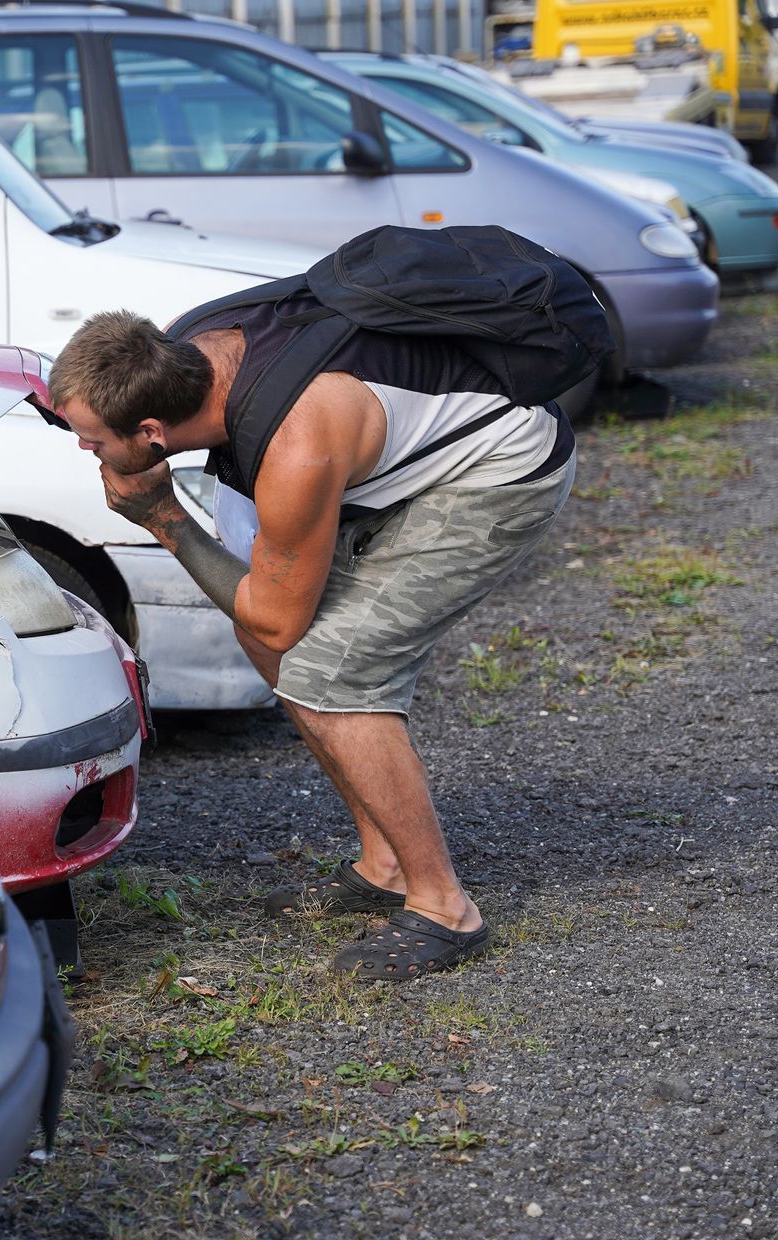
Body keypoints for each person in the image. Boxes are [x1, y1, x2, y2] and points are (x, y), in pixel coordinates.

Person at [50, 307, 576, 980]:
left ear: (151, 434)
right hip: (409, 460)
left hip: (504, 467)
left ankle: (445, 907)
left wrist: (163, 518)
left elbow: (281, 621)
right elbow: (265, 618)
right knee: (270, 640)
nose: (85, 451)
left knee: (332, 671)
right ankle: (384, 866)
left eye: (93, 442)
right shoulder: (190, 356)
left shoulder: (294, 440)